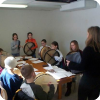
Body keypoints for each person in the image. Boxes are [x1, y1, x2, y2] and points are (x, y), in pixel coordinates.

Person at [67, 26, 100, 100]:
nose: (87, 36)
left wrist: (70, 64)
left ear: (91, 35)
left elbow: (82, 67)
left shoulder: (88, 49)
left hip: (87, 80)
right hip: (97, 81)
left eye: (88, 34)